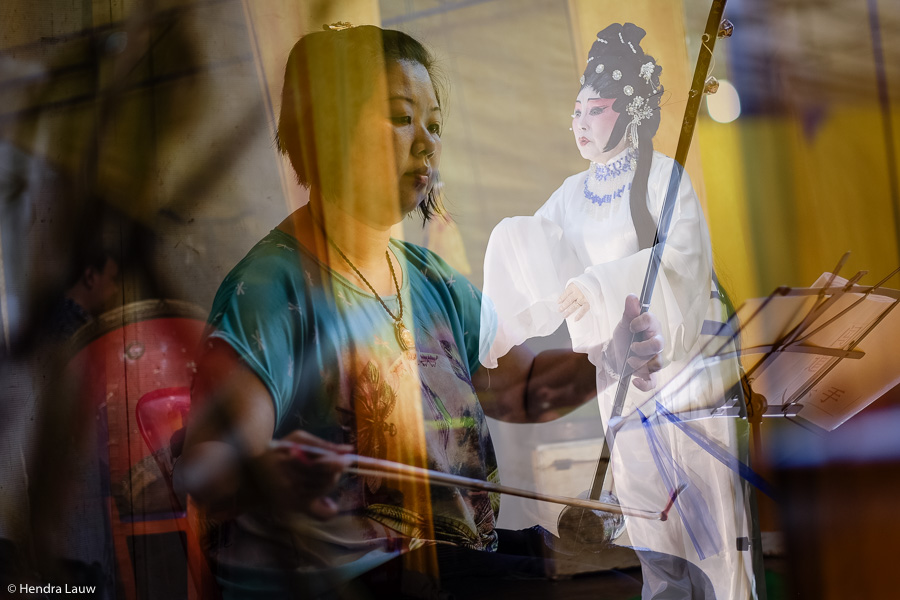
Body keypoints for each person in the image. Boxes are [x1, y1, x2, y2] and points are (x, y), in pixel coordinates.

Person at [175, 24, 665, 599]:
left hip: (452, 563)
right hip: (353, 582)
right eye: (400, 116)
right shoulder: (271, 289)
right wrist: (276, 472)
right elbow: (208, 464)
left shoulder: (428, 279)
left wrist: (607, 359)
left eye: (435, 125)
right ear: (329, 128)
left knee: (647, 575)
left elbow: (522, 388)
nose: (427, 142)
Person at [480, 23, 762, 600]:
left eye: (595, 109)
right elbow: (529, 252)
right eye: (575, 111)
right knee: (651, 529)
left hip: (687, 371)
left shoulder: (664, 177)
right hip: (623, 381)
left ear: (630, 110)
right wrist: (507, 319)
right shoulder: (569, 195)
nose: (579, 123)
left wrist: (598, 283)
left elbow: (683, 264)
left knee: (715, 532)